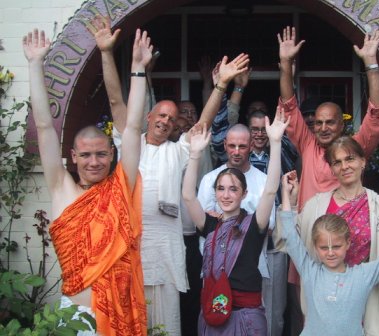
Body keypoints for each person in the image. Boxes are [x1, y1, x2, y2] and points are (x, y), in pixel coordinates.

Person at [92, 15, 250, 335]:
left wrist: (220, 85)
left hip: (165, 254)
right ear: (149, 116)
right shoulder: (130, 142)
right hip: (130, 250)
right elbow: (114, 100)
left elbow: (202, 125)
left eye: (172, 118)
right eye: (161, 115)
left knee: (167, 327)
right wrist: (106, 53)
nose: (165, 121)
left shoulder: (176, 151)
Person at [24, 27, 152, 335]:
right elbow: (44, 127)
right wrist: (34, 64)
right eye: (85, 156)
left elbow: (133, 127)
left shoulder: (122, 184)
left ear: (111, 154)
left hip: (122, 315)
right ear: (73, 156)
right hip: (77, 321)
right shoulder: (61, 188)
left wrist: (137, 69)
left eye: (100, 154)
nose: (93, 162)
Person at [276, 137, 379, 335]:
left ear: (363, 161)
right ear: (332, 168)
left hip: (368, 298)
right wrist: (290, 203)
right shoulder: (315, 205)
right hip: (322, 305)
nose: (344, 166)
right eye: (337, 162)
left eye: (350, 159)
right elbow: (288, 241)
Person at [182, 108, 290, 334]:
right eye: (220, 189)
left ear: (244, 194)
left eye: (233, 189)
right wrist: (194, 154)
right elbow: (188, 196)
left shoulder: (253, 225)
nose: (226, 194)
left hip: (246, 318)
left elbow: (270, 190)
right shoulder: (210, 225)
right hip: (214, 313)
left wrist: (276, 142)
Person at [277, 26, 379, 210]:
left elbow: (377, 115)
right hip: (309, 231)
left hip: (345, 231)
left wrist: (371, 63)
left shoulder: (356, 147)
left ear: (342, 124)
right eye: (318, 123)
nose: (323, 128)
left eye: (330, 122)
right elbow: (289, 106)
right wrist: (285, 62)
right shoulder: (307, 145)